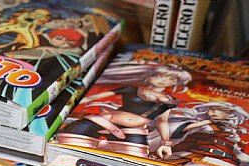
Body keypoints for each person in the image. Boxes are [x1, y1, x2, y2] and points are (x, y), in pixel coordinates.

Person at [56, 64, 192, 157]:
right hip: (97, 122)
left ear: (177, 82)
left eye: (171, 78)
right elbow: (93, 97)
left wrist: (165, 143)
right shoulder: (131, 89)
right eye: (159, 76)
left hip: (132, 132)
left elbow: (162, 121)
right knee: (67, 152)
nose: (163, 80)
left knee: (133, 163)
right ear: (150, 76)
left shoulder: (169, 101)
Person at [153, 101, 249, 166]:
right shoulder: (204, 125)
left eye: (218, 110)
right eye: (212, 109)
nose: (213, 112)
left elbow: (236, 151)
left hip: (224, 160)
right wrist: (204, 122)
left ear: (229, 114)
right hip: (196, 155)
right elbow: (183, 129)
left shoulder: (230, 132)